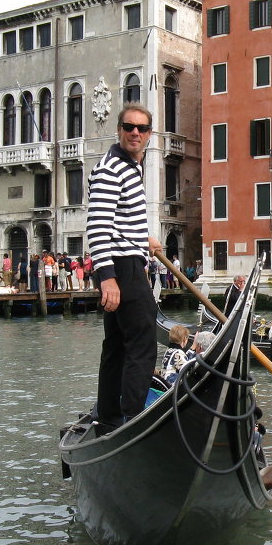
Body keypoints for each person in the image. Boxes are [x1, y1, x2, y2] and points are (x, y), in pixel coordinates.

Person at [88, 104, 163, 433]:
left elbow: (116, 218)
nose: (136, 133)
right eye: (130, 127)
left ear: (149, 134)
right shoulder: (112, 169)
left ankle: (108, 418)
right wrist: (109, 279)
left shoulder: (128, 167)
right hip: (123, 267)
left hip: (128, 257)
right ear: (119, 129)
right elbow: (97, 226)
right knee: (143, 342)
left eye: (142, 129)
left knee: (117, 345)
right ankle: (134, 420)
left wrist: (142, 236)